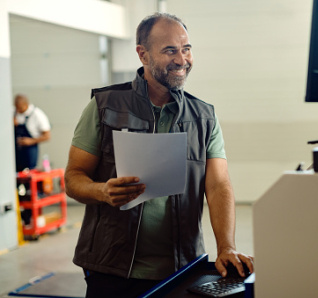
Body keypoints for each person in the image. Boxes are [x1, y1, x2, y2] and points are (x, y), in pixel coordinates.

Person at [65, 12, 254, 298]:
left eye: (186, 49)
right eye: (170, 51)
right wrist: (102, 191)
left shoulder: (204, 116)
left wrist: (226, 246)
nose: (181, 59)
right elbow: (73, 178)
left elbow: (218, 186)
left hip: (181, 269)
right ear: (143, 54)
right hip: (111, 270)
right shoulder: (104, 106)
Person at [14, 94, 51, 172]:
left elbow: (47, 136)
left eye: (20, 108)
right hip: (15, 152)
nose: (18, 110)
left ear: (26, 104)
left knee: (29, 175)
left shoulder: (37, 115)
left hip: (29, 151)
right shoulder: (13, 112)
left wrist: (30, 141)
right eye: (16, 108)